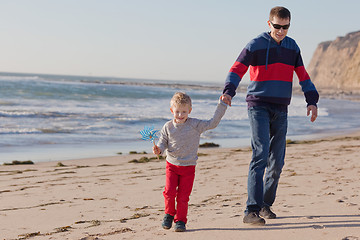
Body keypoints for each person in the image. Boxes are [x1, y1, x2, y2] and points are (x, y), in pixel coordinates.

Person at [220, 6, 319, 225]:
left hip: (281, 109)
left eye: (285, 27)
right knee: (260, 154)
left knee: (277, 162)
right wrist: (229, 92)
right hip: (258, 106)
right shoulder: (255, 44)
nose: (281, 31)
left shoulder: (293, 47)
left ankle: (265, 205)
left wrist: (311, 101)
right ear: (269, 24)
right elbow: (237, 69)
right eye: (277, 26)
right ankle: (251, 210)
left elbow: (303, 76)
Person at [153, 92, 227, 232]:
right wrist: (159, 150)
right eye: (177, 112)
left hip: (188, 167)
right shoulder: (168, 127)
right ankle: (169, 214)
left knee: (183, 196)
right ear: (171, 111)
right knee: (169, 192)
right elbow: (163, 143)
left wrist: (222, 105)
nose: (180, 115)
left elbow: (213, 123)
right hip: (172, 165)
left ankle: (180, 220)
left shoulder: (195, 125)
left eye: (184, 112)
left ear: (190, 111)